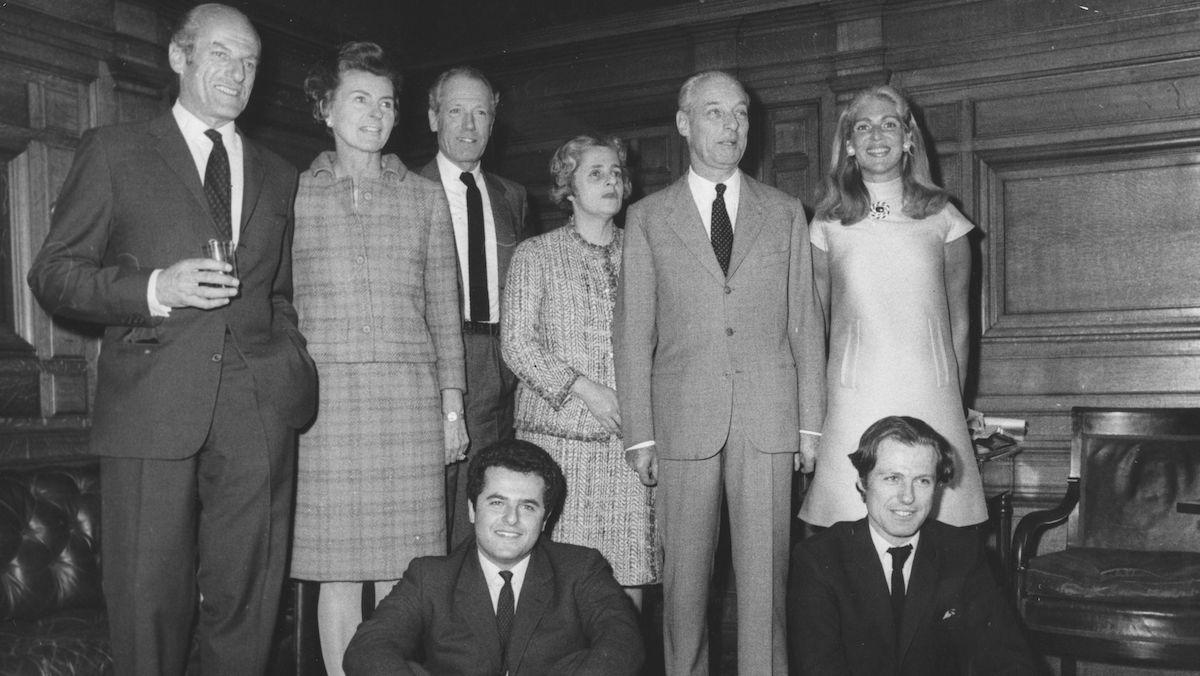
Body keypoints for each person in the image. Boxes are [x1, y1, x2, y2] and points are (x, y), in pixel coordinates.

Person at [25, 4, 317, 674]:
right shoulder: (115, 150)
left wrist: (288, 364)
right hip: (151, 400)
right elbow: (54, 275)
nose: (238, 72)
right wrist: (158, 288)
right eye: (221, 53)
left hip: (257, 403)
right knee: (147, 601)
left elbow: (280, 294)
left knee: (248, 601)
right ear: (179, 57)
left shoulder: (279, 173)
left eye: (250, 62)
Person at [613, 70, 825, 675]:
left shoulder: (784, 212)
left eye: (739, 114)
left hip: (768, 422)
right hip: (681, 424)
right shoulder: (648, 218)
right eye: (714, 113)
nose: (731, 126)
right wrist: (640, 432)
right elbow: (633, 334)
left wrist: (810, 426)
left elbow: (805, 324)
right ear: (683, 123)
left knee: (766, 586)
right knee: (683, 587)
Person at [287, 42, 467, 675]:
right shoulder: (294, 196)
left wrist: (452, 409)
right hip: (326, 407)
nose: (375, 114)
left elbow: (444, 308)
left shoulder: (422, 199)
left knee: (404, 570)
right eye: (359, 99)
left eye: (386, 103)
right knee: (336, 572)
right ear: (326, 108)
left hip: (408, 404)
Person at [798, 84, 987, 529]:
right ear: (848, 144)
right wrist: (814, 411)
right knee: (848, 521)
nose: (876, 136)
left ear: (908, 139)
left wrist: (953, 399)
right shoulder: (827, 223)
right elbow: (813, 322)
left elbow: (961, 322)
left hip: (930, 388)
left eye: (889, 124)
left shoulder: (945, 216)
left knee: (933, 522)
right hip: (853, 392)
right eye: (863, 127)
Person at [501, 135, 659, 608]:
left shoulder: (647, 252)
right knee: (559, 585)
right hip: (560, 446)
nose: (611, 180)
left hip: (628, 446)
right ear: (567, 187)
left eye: (616, 173)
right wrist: (582, 388)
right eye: (596, 173)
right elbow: (516, 344)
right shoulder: (536, 254)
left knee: (629, 577)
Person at [342, 439, 644, 676]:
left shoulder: (580, 569)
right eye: (497, 502)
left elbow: (623, 642)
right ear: (473, 509)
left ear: (545, 518)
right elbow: (368, 648)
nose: (511, 519)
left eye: (527, 507)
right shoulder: (430, 577)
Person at [787, 416, 1039, 675]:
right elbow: (818, 668)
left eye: (922, 481)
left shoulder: (962, 552)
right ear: (863, 482)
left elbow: (1007, 656)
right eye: (892, 478)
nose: (907, 497)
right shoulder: (819, 559)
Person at [419, 66, 529, 550]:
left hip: (501, 361)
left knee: (487, 500)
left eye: (480, 113)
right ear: (432, 118)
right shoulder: (409, 187)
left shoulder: (512, 196)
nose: (468, 126)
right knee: (433, 504)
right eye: (456, 112)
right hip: (437, 359)